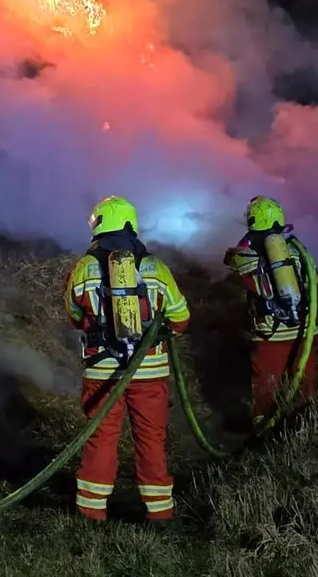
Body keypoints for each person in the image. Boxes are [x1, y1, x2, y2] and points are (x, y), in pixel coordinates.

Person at [65, 195, 191, 522]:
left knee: (101, 437)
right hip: (149, 372)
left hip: (103, 372)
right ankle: (160, 513)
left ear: (98, 226)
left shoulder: (83, 269)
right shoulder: (156, 269)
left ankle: (91, 513)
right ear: (132, 225)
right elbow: (181, 318)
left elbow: (75, 317)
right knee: (151, 439)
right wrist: (157, 331)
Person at [223, 195, 318, 423]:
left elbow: (229, 258)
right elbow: (315, 280)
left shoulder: (249, 257)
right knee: (306, 382)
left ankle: (264, 428)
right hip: (304, 330)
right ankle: (310, 425)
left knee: (265, 386)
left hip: (271, 334)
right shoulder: (299, 252)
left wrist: (248, 239)